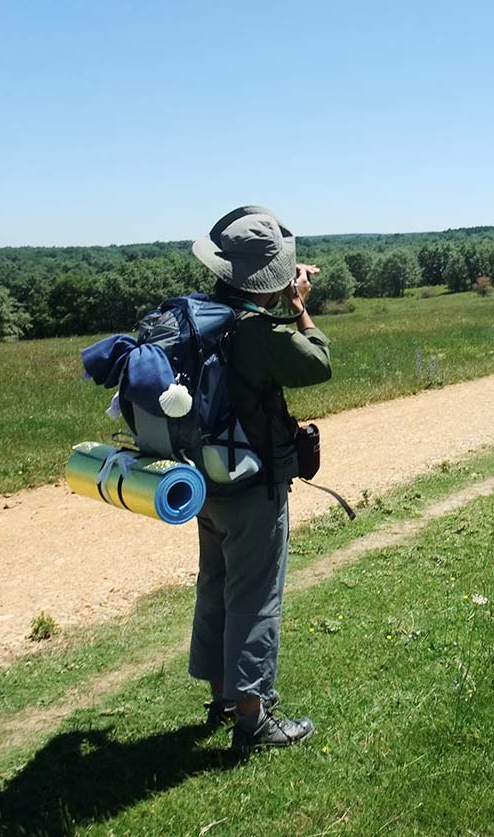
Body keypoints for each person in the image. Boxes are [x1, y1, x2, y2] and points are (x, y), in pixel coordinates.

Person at [187, 205, 332, 753]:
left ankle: (224, 694)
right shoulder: (254, 330)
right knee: (255, 595)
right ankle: (254, 723)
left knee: (217, 586)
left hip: (205, 480)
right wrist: (298, 308)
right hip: (251, 484)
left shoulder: (205, 316)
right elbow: (317, 362)